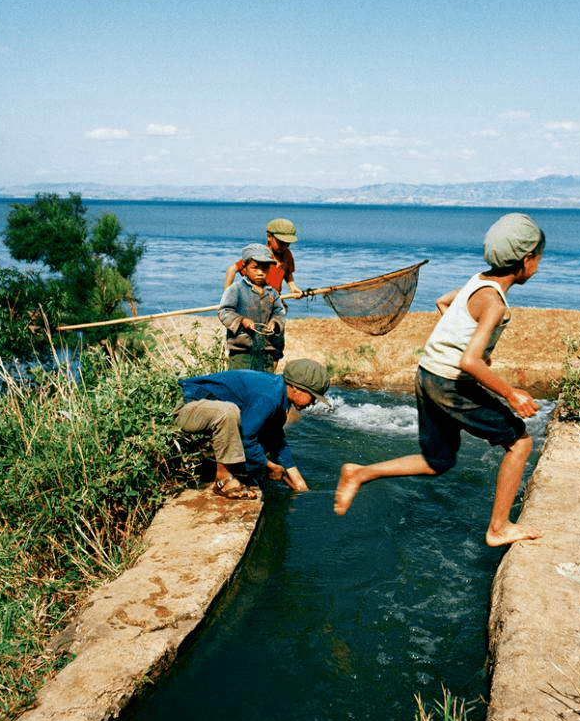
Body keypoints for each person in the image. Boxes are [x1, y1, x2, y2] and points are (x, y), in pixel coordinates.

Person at [334, 213, 547, 547]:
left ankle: (360, 472)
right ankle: (499, 528)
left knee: (439, 461)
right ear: (526, 259)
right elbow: (470, 361)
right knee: (520, 443)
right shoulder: (493, 301)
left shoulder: (479, 281)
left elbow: (444, 303)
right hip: (450, 384)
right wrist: (511, 393)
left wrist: (464, 341)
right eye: (538, 258)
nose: (538, 265)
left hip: (427, 374)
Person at [177, 359, 331, 496]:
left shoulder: (278, 393)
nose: (312, 404)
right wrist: (268, 465)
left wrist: (298, 481)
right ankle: (223, 479)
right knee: (229, 412)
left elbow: (277, 439)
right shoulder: (268, 397)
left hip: (208, 414)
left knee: (268, 431)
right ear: (296, 388)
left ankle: (240, 469)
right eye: (313, 397)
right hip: (186, 408)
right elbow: (246, 437)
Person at [219, 244, 286, 372]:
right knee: (240, 386)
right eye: (255, 268)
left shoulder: (272, 292)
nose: (260, 273)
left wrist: (275, 322)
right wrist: (242, 320)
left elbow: (280, 312)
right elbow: (224, 311)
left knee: (263, 386)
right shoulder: (236, 289)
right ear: (245, 268)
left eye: (265, 268)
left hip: (266, 351)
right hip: (242, 353)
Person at [224, 218, 304, 298]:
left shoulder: (287, 254)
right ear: (269, 237)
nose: (285, 246)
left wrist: (293, 287)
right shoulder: (259, 254)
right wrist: (228, 294)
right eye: (281, 242)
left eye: (288, 243)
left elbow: (287, 273)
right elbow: (231, 270)